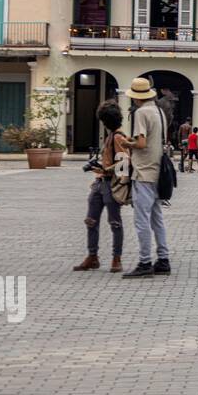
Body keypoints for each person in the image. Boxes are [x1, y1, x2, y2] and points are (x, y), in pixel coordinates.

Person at [117, 77, 171, 278]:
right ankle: (163, 259)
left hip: (144, 171)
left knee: (142, 220)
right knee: (157, 217)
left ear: (135, 98)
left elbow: (140, 144)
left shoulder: (141, 112)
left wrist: (126, 143)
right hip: (158, 170)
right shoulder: (159, 112)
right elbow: (152, 140)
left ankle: (145, 262)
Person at [73, 100, 126, 273]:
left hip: (110, 185)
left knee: (115, 222)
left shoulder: (118, 137)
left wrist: (105, 169)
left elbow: (124, 163)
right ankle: (92, 256)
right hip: (99, 183)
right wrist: (99, 168)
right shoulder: (111, 136)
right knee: (91, 220)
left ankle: (116, 258)